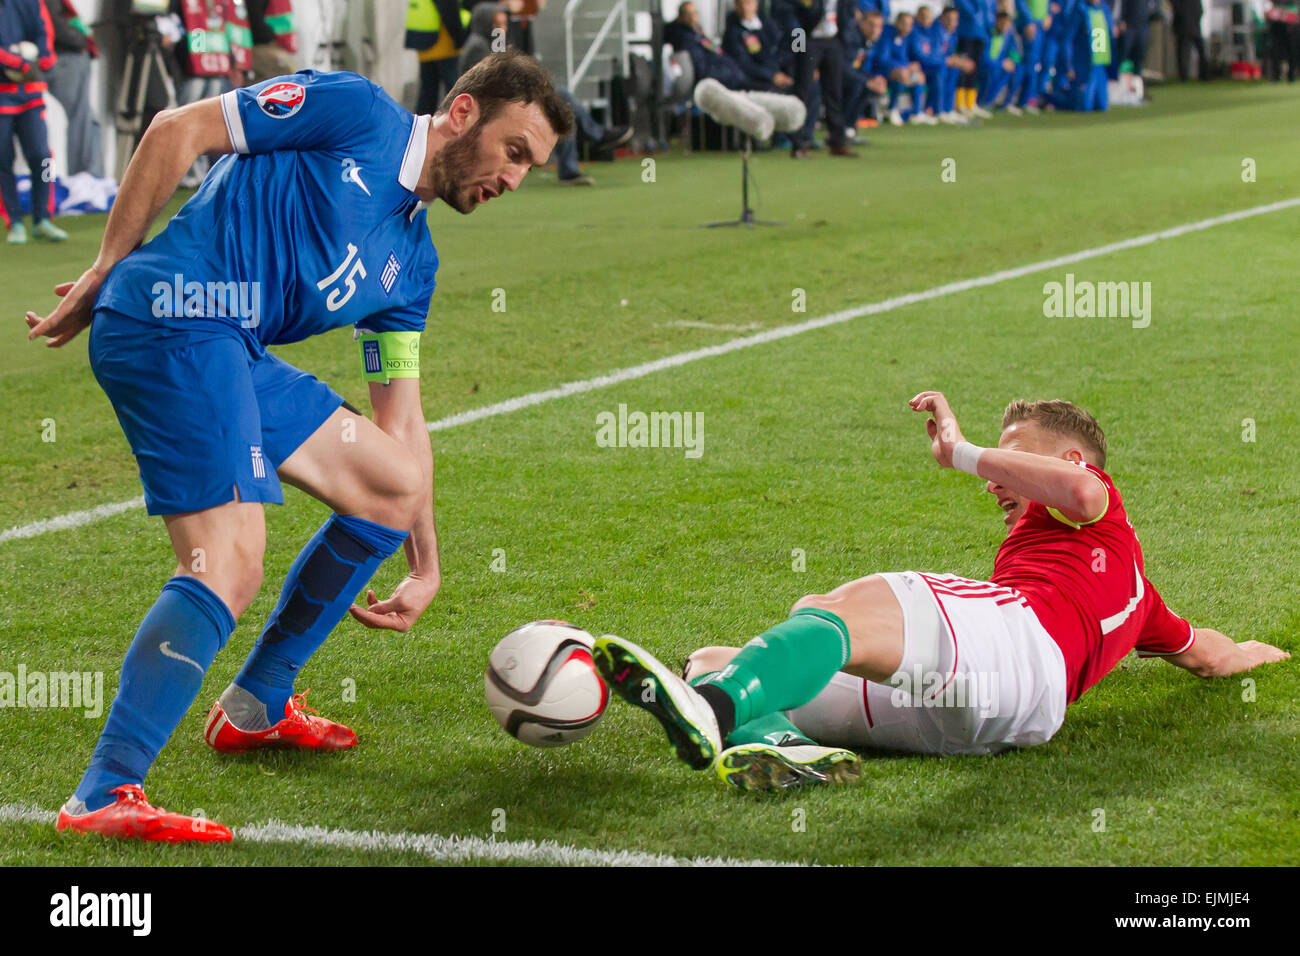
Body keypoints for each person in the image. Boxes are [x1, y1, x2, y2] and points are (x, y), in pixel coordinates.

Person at [26, 51, 573, 842]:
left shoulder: (411, 265)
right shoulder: (357, 113)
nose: (514, 179)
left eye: (533, 167)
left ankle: (256, 706)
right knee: (231, 556)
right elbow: (178, 129)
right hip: (171, 316)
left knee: (389, 483)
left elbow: (403, 420)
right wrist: (108, 267)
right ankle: (104, 793)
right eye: (514, 152)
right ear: (463, 114)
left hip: (234, 349)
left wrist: (427, 560)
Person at [590, 392, 1290, 790]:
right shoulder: (1142, 603)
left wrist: (957, 449)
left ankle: (707, 711)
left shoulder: (1095, 504)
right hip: (972, 721)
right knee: (721, 653)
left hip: (1018, 647)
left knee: (831, 611)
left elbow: (1078, 490)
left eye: (1013, 456)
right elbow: (1212, 656)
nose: (996, 479)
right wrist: (1272, 658)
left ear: (1073, 460)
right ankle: (778, 742)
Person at [461, 3, 630, 186]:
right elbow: (489, 85)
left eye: (504, 23)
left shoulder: (491, 40)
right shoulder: (478, 47)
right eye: (498, 23)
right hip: (495, 105)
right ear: (486, 23)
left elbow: (505, 70)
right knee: (561, 100)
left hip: (507, 100)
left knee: (561, 102)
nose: (504, 27)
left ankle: (586, 148)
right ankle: (592, 141)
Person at [1, 0, 66, 243]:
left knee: (43, 157)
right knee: (2, 161)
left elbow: (43, 30)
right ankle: (14, 222)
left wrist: (45, 57)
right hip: (2, 93)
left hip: (31, 91)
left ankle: (43, 218)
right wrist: (17, 62)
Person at [783, 0, 856, 156]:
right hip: (809, 41)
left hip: (833, 41)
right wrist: (798, 49)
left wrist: (844, 40)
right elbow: (794, 17)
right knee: (803, 92)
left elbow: (847, 14)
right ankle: (797, 144)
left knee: (834, 93)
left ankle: (838, 142)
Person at [44, 0, 102, 177]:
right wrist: (80, 40)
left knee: (89, 121)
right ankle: (84, 178)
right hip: (64, 56)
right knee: (81, 119)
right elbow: (52, 21)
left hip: (65, 55)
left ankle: (90, 178)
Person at [406, 0, 470, 115]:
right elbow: (448, 10)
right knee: (454, 89)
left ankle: (422, 127)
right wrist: (460, 38)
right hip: (442, 42)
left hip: (425, 38)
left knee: (428, 91)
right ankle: (458, 120)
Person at [722, 0, 796, 93]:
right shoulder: (733, 32)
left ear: (756, 5)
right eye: (741, 4)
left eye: (748, 3)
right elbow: (744, 63)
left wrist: (788, 72)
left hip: (777, 72)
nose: (745, 8)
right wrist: (772, 76)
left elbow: (781, 49)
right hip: (757, 80)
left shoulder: (767, 24)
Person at [977, 10, 1021, 111]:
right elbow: (984, 58)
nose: (1005, 26)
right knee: (991, 72)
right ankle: (981, 102)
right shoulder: (988, 35)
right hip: (986, 65)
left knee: (1017, 70)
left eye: (1008, 23)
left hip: (998, 65)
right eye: (1003, 23)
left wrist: (1012, 61)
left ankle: (1006, 103)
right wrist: (1001, 64)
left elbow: (1014, 52)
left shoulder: (1008, 36)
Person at [1171, 0, 1208, 81]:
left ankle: (1202, 75)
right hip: (1186, 27)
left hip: (1192, 27)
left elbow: (1200, 11)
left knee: (1186, 52)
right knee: (1184, 53)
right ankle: (1184, 76)